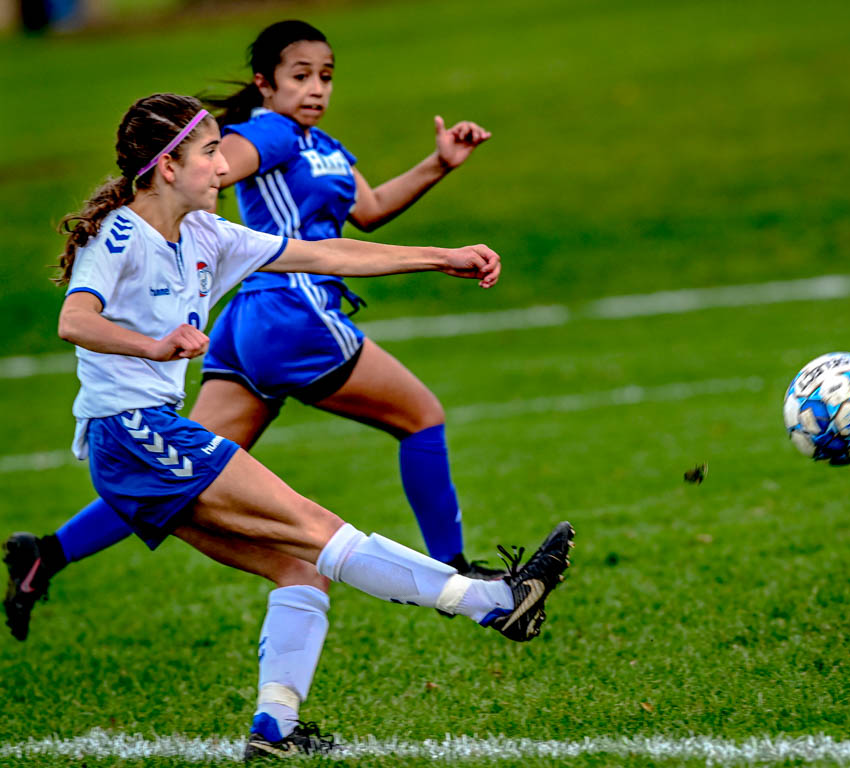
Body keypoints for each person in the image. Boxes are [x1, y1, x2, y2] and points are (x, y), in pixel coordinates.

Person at [29, 91, 574, 758]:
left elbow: (327, 256)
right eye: (207, 155)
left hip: (143, 443)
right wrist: (155, 345)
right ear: (167, 167)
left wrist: (443, 256)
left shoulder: (207, 234)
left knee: (300, 570)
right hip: (136, 435)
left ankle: (275, 731)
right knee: (318, 530)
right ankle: (491, 601)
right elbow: (73, 320)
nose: (221, 168)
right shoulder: (119, 235)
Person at [6, 20, 503, 642]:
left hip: (208, 367)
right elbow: (77, 316)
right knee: (383, 457)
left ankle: (49, 555)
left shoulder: (284, 174)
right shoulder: (257, 140)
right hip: (265, 334)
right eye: (301, 76)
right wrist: (156, 333)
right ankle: (471, 587)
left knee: (247, 529)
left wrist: (439, 211)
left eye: (326, 76)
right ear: (265, 84)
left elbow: (347, 233)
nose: (317, 89)